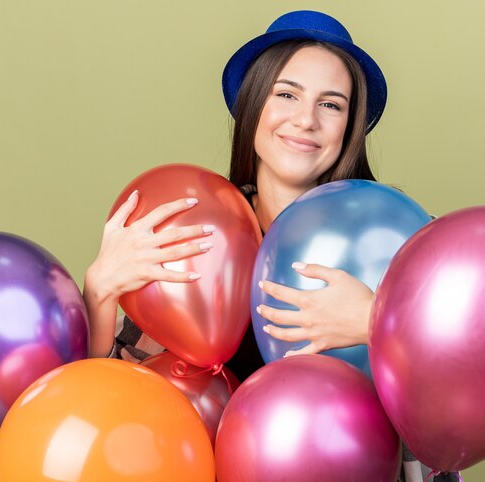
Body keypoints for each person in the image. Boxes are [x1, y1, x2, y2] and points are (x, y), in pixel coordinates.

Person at [83, 9, 455, 482]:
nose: (305, 120)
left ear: (348, 128)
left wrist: (378, 322)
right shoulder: (198, 228)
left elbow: (462, 386)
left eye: (331, 104)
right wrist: (99, 293)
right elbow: (112, 410)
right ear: (253, 103)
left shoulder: (394, 233)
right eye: (286, 94)